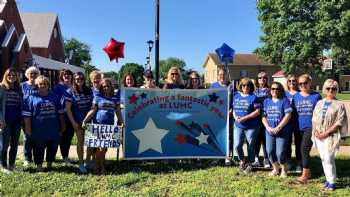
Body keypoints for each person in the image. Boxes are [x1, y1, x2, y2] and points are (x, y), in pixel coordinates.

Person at [22, 76, 65, 172]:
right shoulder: (31, 98)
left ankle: (49, 164)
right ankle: (39, 166)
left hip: (53, 128)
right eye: (40, 84)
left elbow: (61, 113)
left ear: (48, 85)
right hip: (38, 130)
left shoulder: (55, 97)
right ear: (37, 85)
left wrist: (63, 126)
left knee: (53, 147)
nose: (43, 85)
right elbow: (27, 116)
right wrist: (28, 129)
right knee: (38, 148)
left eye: (45, 83)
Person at [312, 79, 347, 191]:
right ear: (324, 89)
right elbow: (314, 118)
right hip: (318, 135)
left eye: (333, 88)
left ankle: (332, 182)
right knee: (323, 158)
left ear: (336, 90)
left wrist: (326, 133)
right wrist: (317, 131)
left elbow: (339, 122)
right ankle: (328, 179)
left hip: (331, 136)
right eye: (328, 88)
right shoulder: (319, 103)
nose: (330, 90)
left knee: (328, 158)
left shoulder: (339, 104)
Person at [82, 78, 123, 174]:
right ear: (101, 87)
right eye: (104, 86)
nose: (106, 88)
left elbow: (118, 111)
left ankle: (101, 165)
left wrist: (121, 121)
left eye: (108, 86)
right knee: (98, 147)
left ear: (111, 87)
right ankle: (99, 166)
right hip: (98, 125)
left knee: (104, 148)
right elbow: (93, 110)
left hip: (109, 126)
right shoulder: (98, 97)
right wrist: (85, 120)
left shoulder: (115, 98)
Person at [293, 74, 322, 183]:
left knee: (304, 148)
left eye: (305, 83)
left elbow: (320, 113)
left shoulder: (316, 96)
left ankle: (305, 174)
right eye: (300, 83)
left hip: (311, 126)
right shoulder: (296, 96)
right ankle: (303, 167)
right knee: (299, 148)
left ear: (310, 83)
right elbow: (294, 112)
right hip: (298, 126)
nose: (302, 85)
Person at [262, 82, 292, 177]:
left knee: (280, 153)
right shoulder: (266, 101)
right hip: (269, 131)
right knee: (270, 151)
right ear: (270, 90)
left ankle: (284, 168)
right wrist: (267, 127)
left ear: (281, 90)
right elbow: (263, 116)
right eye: (273, 89)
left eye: (277, 89)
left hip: (282, 131)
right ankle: (275, 168)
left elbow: (288, 115)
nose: (274, 90)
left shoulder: (284, 101)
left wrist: (278, 127)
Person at [65, 72, 93, 173]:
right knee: (80, 143)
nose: (79, 80)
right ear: (74, 80)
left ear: (84, 80)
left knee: (90, 143)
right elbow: (68, 109)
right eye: (77, 79)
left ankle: (87, 162)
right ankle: (81, 164)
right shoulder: (70, 91)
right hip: (77, 121)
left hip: (90, 121)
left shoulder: (89, 90)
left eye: (81, 78)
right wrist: (73, 122)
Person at [232, 78, 261, 173]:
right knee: (237, 145)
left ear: (251, 87)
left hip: (252, 126)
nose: (246, 87)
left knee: (251, 145)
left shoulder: (254, 97)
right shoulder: (236, 96)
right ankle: (242, 160)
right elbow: (234, 109)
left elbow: (257, 112)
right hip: (238, 125)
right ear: (240, 86)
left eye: (248, 85)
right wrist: (235, 116)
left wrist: (245, 118)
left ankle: (250, 163)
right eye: (244, 85)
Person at [0, 68, 22, 173]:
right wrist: (1, 120)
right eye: (9, 75)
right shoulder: (2, 87)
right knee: (4, 144)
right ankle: (3, 165)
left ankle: (12, 164)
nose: (12, 77)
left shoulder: (18, 88)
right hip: (5, 121)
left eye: (14, 75)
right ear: (6, 76)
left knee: (14, 144)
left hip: (17, 121)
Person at [210, 68, 234, 165]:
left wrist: (231, 110)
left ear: (227, 75)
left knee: (229, 136)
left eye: (224, 74)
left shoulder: (231, 86)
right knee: (217, 135)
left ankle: (228, 156)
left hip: (229, 114)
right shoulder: (213, 86)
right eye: (220, 74)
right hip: (216, 115)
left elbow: (235, 99)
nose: (222, 76)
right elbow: (209, 101)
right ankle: (217, 156)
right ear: (217, 76)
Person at [53, 69, 74, 165]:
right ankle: (52, 157)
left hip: (72, 116)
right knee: (58, 137)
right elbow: (55, 101)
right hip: (61, 116)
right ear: (62, 76)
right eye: (65, 74)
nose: (67, 76)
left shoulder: (74, 87)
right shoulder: (57, 87)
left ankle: (65, 156)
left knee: (68, 137)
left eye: (69, 74)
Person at [21, 66, 40, 167]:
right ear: (27, 75)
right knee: (27, 137)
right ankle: (27, 158)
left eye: (35, 73)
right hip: (25, 116)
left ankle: (37, 157)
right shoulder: (22, 86)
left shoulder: (39, 85)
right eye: (31, 73)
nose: (33, 75)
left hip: (37, 116)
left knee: (36, 136)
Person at [254, 71, 271, 168]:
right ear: (257, 79)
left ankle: (266, 158)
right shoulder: (254, 91)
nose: (262, 79)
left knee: (265, 139)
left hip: (267, 117)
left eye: (264, 77)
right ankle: (256, 158)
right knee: (256, 139)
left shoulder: (270, 90)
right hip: (256, 118)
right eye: (260, 78)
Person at [285, 74, 302, 172]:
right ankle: (289, 161)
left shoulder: (300, 93)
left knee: (298, 143)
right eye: (290, 81)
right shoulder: (284, 93)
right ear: (287, 83)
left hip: (297, 121)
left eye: (294, 81)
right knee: (287, 143)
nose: (292, 82)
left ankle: (299, 163)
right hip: (287, 122)